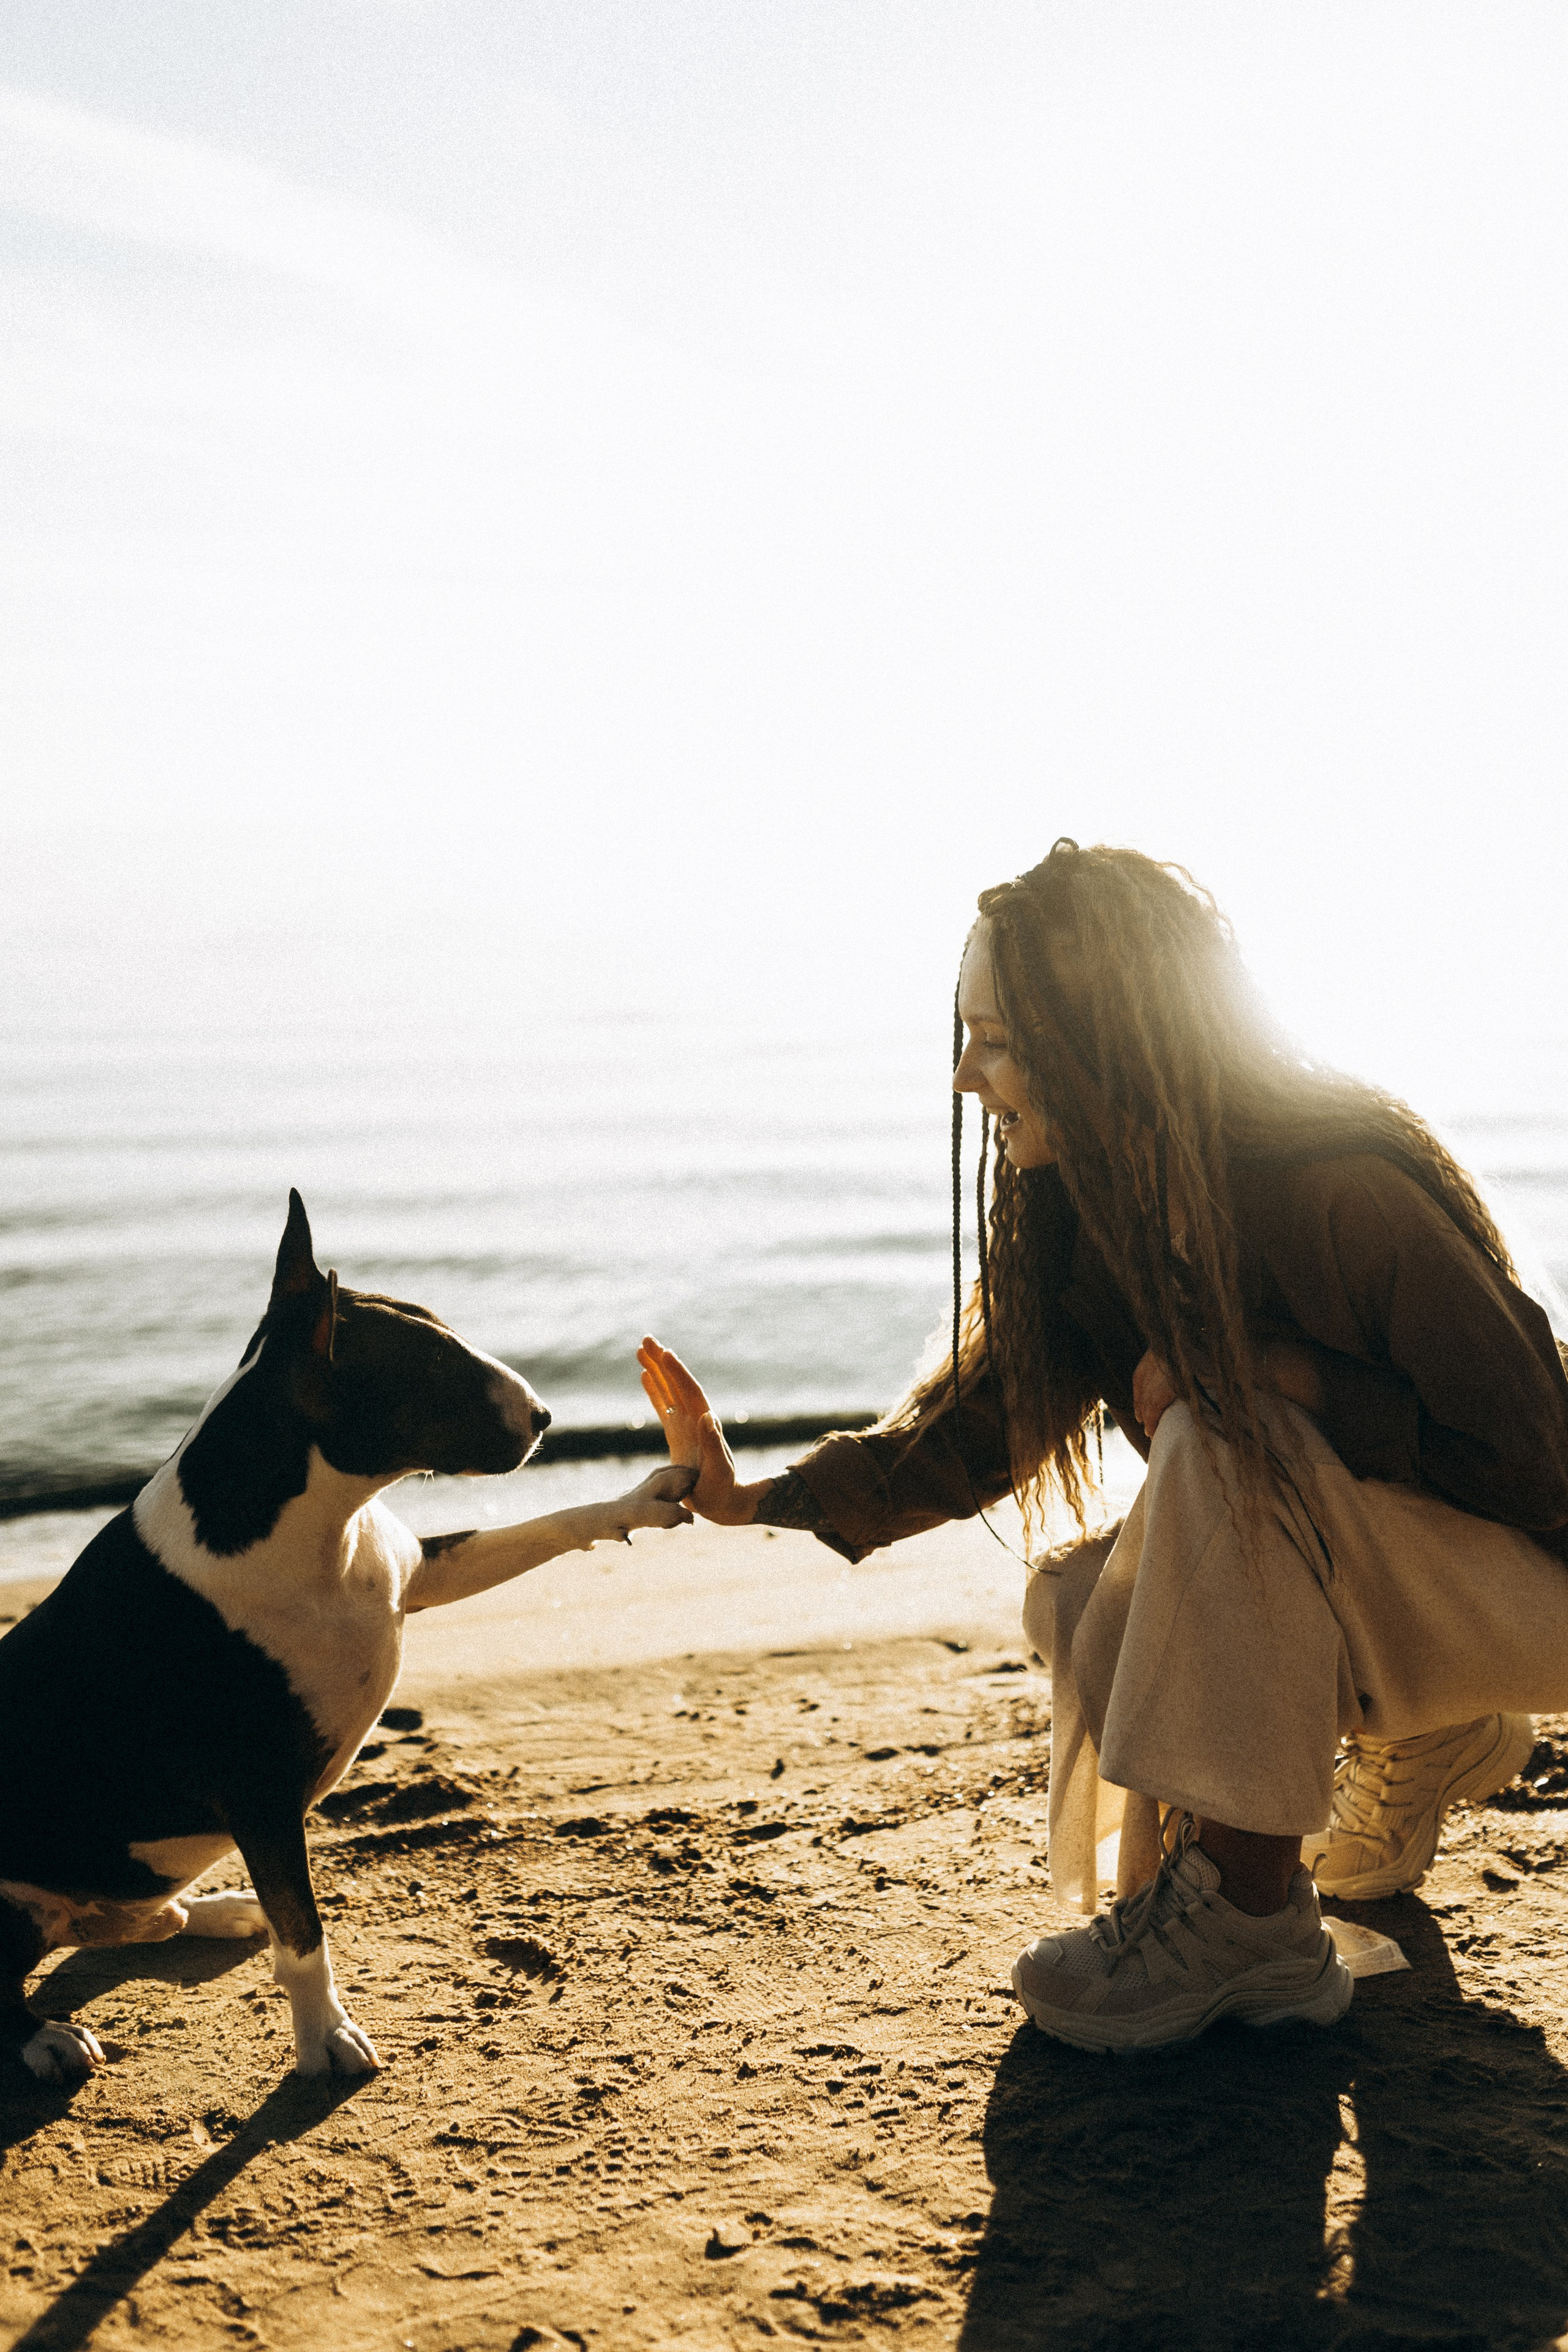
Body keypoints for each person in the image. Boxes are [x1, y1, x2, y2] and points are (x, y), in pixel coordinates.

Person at [636, 840, 1568, 2053]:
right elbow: (988, 1422)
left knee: (1215, 1442)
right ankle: (1421, 1734)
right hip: (1413, 1589)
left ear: (1103, 1038)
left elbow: (1537, 1459)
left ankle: (1249, 1917)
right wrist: (755, 1496)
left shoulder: (1337, 1189)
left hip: (1537, 1582)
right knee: (1083, 1596)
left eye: (996, 1039)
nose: (966, 1075)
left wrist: (1278, 1374)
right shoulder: (1090, 1209)